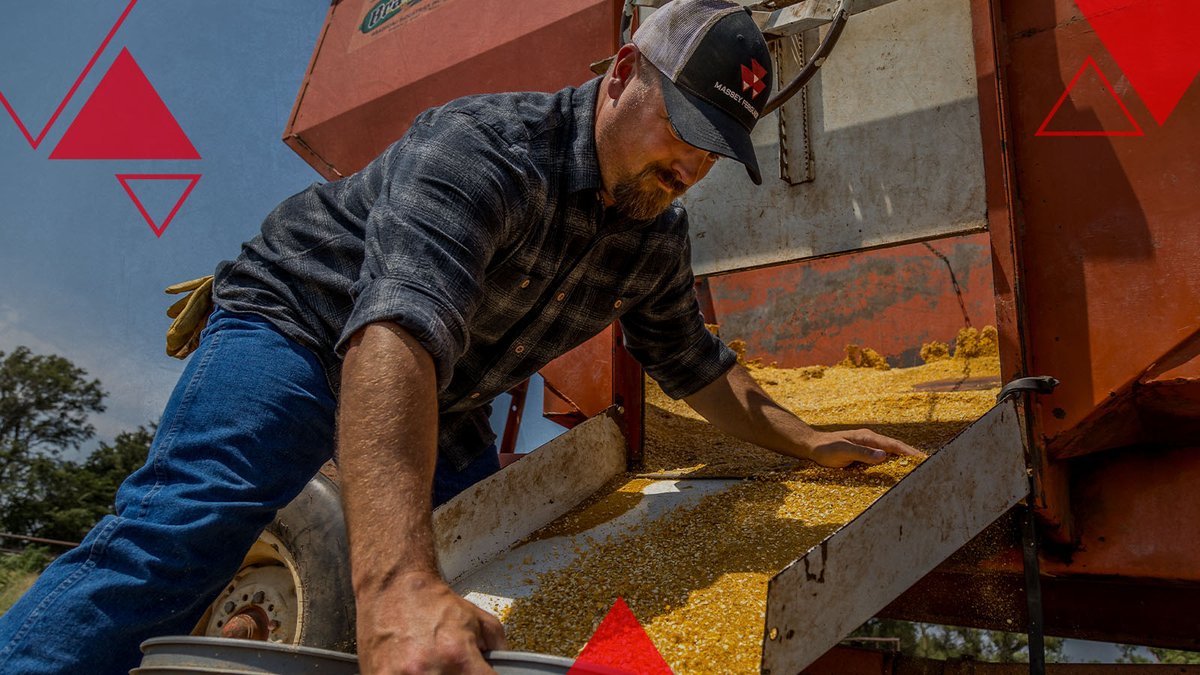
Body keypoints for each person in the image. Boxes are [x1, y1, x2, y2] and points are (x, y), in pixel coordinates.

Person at [0, 1, 920, 673]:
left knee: (514, 558)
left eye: (714, 148)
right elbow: (394, 326)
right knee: (182, 534)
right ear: (623, 77)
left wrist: (807, 440)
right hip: (303, 326)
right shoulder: (480, 148)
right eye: (682, 126)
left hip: (443, 390)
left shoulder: (653, 238)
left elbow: (696, 363)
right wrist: (394, 582)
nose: (690, 163)